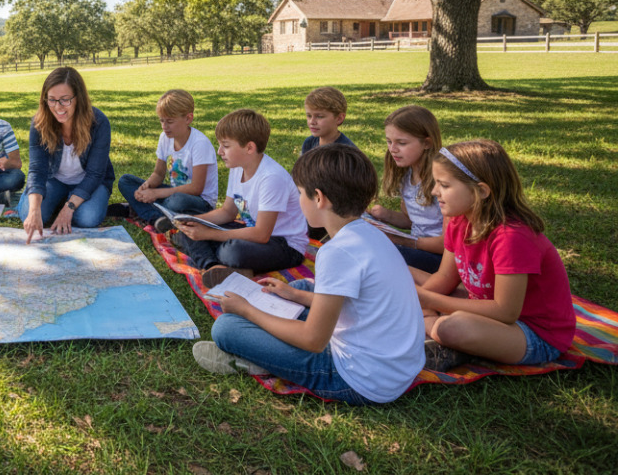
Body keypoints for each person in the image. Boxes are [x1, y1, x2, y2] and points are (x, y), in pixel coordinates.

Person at [194, 144, 425, 405]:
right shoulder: (371, 233)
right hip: (397, 368)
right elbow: (355, 303)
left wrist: (247, 311)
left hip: (358, 379)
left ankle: (259, 360)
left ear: (319, 198)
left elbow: (313, 340)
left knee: (226, 328)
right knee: (300, 288)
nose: (298, 200)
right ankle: (267, 347)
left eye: (300, 193)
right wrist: (294, 295)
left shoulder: (336, 252)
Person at [416, 140, 574, 371]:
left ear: (481, 191)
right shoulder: (459, 222)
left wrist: (428, 302)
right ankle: (438, 334)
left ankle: (432, 329)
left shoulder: (512, 237)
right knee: (404, 275)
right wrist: (415, 299)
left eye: (444, 185)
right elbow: (445, 277)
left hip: (533, 334)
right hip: (484, 311)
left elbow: (505, 311)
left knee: (453, 328)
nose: (434, 191)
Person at [173, 109, 309, 286]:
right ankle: (213, 267)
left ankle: (216, 259)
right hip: (252, 231)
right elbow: (227, 212)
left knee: (232, 251)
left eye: (226, 146)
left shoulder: (271, 177)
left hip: (284, 246)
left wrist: (209, 234)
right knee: (192, 230)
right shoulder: (238, 167)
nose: (219, 151)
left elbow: (261, 234)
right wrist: (194, 220)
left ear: (249, 148)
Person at [19, 66, 115, 243]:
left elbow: (95, 174)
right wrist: (34, 210)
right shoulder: (39, 123)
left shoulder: (99, 122)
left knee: (88, 218)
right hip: (55, 179)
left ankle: (69, 201)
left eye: (65, 100)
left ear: (78, 98)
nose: (58, 107)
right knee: (28, 212)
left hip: (90, 182)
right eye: (52, 100)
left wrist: (68, 208)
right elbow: (37, 170)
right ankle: (56, 200)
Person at [116, 89, 219, 227]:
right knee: (126, 181)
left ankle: (146, 212)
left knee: (176, 201)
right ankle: (158, 217)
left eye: (170, 121)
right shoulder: (165, 138)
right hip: (173, 193)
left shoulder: (200, 143)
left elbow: (196, 188)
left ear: (188, 118)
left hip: (199, 202)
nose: (164, 126)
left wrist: (156, 193)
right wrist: (147, 186)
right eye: (161, 121)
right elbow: (158, 174)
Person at [367, 105, 445, 273]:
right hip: (418, 248)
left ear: (427, 143)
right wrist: (385, 215)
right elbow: (414, 221)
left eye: (401, 143)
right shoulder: (407, 176)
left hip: (441, 258)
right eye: (389, 141)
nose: (392, 149)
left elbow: (449, 244)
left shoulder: (443, 183)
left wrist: (403, 241)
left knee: (377, 251)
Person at [299, 87, 356, 154]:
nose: (312, 122)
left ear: (339, 118)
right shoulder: (309, 143)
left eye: (319, 116)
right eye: (309, 116)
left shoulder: (347, 153)